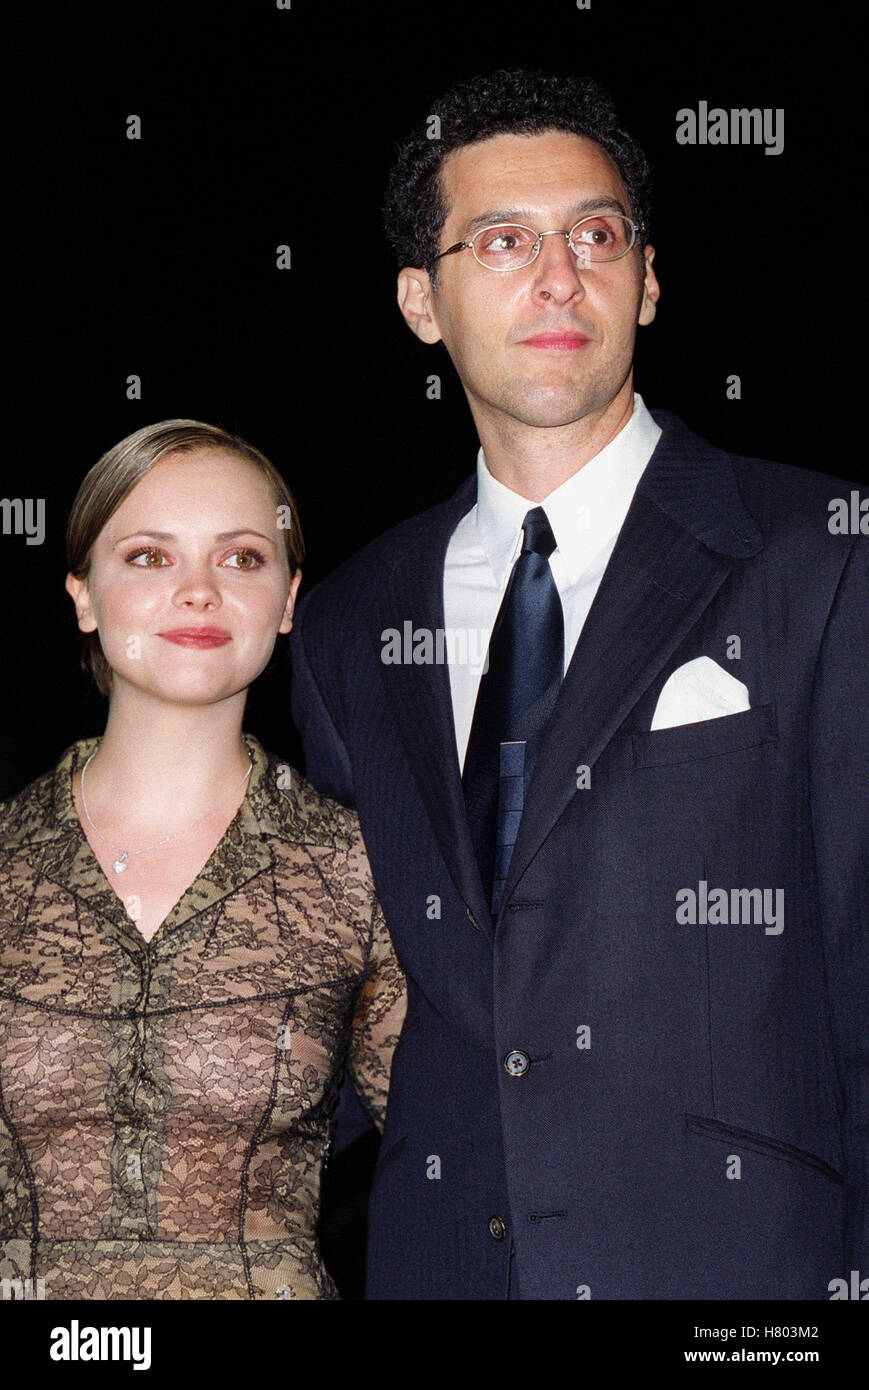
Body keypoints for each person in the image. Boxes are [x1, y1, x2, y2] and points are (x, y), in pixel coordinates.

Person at [290, 69, 868, 1298]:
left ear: (646, 279)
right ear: (418, 303)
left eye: (593, 234)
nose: (557, 275)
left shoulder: (822, 552)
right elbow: (348, 994)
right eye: (501, 241)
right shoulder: (346, 620)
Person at [0, 419, 405, 1300]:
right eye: (149, 556)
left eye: (242, 559)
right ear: (82, 594)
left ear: (290, 599)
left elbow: (467, 1159)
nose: (197, 593)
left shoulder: (363, 872)